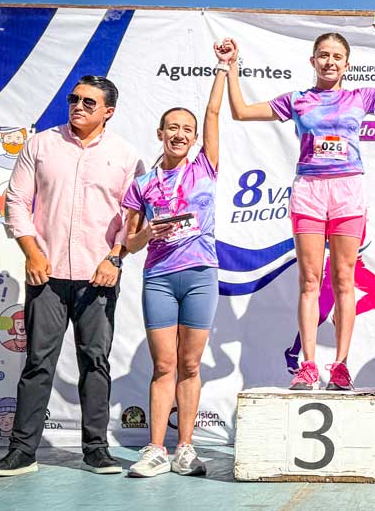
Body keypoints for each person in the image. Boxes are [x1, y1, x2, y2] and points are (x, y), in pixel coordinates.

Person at [227, 18, 375, 391]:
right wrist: (232, 66)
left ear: (347, 64)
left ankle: (341, 365)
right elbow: (241, 111)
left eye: (337, 57)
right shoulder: (297, 100)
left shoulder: (359, 97)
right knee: (310, 281)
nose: (330, 62)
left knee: (344, 279)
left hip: (348, 190)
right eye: (324, 56)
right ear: (313, 61)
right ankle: (309, 365)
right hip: (309, 192)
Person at [0, 76, 142, 477]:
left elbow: (134, 217)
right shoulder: (40, 144)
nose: (77, 106)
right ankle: (22, 452)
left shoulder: (126, 156)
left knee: (95, 361)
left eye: (88, 103)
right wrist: (32, 252)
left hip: (100, 276)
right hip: (48, 273)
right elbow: (16, 202)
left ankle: (96, 450)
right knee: (38, 363)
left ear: (108, 111)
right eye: (74, 99)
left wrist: (114, 258)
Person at [120, 41, 231, 478]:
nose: (180, 133)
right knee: (164, 365)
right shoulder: (143, 184)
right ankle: (154, 449)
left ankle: (185, 447)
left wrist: (222, 68)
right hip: (160, 278)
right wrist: (149, 233)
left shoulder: (205, 165)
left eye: (186, 128)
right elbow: (128, 244)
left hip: (201, 275)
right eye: (172, 128)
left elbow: (214, 116)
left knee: (189, 365)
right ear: (160, 134)